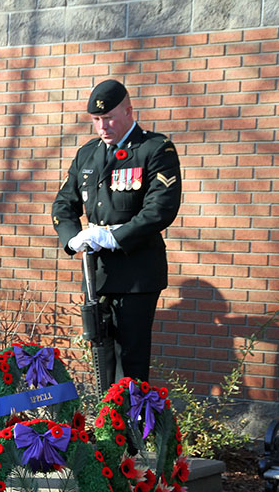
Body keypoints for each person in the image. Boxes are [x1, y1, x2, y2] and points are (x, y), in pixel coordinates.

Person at [51, 79, 182, 384]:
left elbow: (161, 208)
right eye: (96, 120)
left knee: (132, 362)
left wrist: (112, 236)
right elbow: (63, 204)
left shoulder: (154, 149)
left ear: (128, 110)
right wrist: (72, 238)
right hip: (97, 273)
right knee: (101, 360)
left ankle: (132, 428)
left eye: (108, 117)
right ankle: (107, 425)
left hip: (136, 274)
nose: (102, 127)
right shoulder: (88, 154)